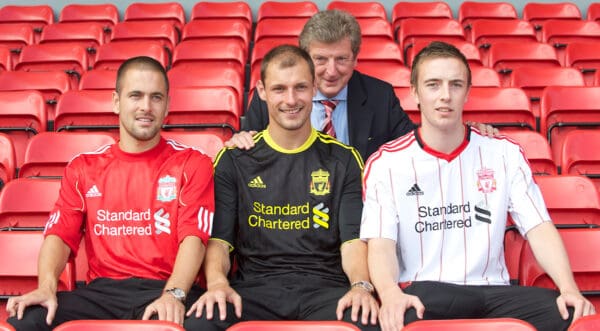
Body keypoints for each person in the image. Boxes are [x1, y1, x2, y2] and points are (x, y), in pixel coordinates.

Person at [360, 41, 596, 331]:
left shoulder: (504, 152)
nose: (445, 96)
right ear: (415, 92)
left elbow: (538, 228)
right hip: (428, 293)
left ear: (468, 93)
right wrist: (390, 294)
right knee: (401, 316)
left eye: (455, 85)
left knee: (571, 315)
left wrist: (569, 288)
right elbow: (381, 244)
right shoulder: (386, 163)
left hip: (494, 292)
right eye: (433, 85)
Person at [6, 56, 215, 330]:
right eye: (135, 96)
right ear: (116, 102)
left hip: (166, 286)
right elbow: (59, 235)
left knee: (208, 320)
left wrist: (174, 294)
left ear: (167, 106)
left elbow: (194, 238)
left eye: (156, 98)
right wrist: (46, 287)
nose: (146, 107)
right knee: (27, 320)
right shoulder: (83, 168)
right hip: (102, 294)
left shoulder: (192, 163)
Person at [184, 45, 379, 331]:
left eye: (300, 87)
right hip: (253, 291)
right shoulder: (235, 159)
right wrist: (217, 284)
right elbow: (220, 241)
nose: (291, 100)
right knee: (201, 322)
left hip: (326, 290)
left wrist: (361, 286)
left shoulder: (344, 159)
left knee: (367, 321)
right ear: (262, 91)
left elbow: (351, 241)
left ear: (314, 88)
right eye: (279, 89)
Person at [230, 10, 496, 161]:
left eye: (342, 59)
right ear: (304, 60)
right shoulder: (273, 98)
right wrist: (238, 141)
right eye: (320, 59)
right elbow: (249, 152)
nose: (331, 71)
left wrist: (464, 133)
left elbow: (415, 146)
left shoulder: (380, 96)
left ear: (356, 58)